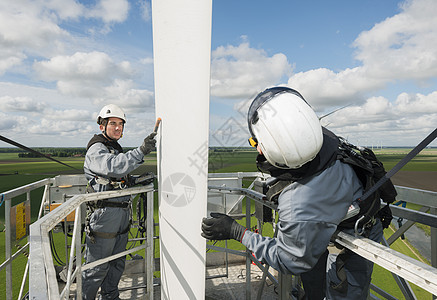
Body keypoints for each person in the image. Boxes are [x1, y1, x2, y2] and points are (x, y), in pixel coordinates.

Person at [201, 87, 384, 299]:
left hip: (359, 231)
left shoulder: (299, 202)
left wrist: (237, 232)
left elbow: (289, 259)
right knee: (315, 267)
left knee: (347, 291)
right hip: (346, 213)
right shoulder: (322, 140)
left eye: (255, 142)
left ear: (262, 148)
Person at [82, 104, 157, 300]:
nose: (117, 128)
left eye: (120, 124)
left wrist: (135, 181)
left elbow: (116, 178)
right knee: (96, 266)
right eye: (113, 123)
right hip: (105, 215)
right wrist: (140, 151)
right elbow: (113, 167)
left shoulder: (113, 147)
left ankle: (111, 297)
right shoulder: (96, 148)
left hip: (121, 214)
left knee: (117, 263)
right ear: (102, 126)